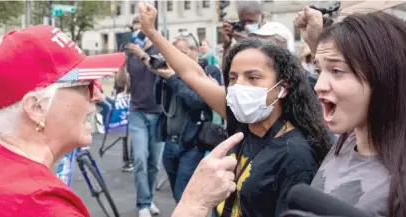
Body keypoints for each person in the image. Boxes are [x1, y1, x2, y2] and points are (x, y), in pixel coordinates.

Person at [0, 24, 241, 217]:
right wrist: (194, 205)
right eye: (83, 85)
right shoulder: (44, 204)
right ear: (36, 107)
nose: (96, 96)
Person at [138, 3, 332, 217]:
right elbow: (193, 74)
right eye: (233, 78)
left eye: (253, 77)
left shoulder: (296, 155)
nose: (239, 87)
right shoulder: (242, 119)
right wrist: (152, 32)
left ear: (283, 88)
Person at [296, 7, 406, 217]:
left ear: (385, 79)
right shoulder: (348, 141)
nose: (318, 85)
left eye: (336, 71)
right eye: (319, 71)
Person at [148, 31, 223, 203]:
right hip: (170, 142)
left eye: (181, 52)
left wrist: (174, 78)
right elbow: (157, 98)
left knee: (185, 193)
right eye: (174, 53)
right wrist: (161, 75)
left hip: (193, 144)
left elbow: (197, 102)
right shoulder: (172, 74)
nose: (177, 58)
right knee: (177, 194)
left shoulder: (207, 72)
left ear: (195, 50)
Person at [115, 16, 164, 217]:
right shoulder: (132, 55)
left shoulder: (159, 50)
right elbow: (121, 83)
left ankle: (149, 198)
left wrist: (142, 53)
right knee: (140, 158)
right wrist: (121, 63)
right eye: (135, 31)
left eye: (141, 31)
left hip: (158, 112)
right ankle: (143, 203)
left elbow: (160, 70)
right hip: (137, 112)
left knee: (154, 163)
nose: (137, 35)